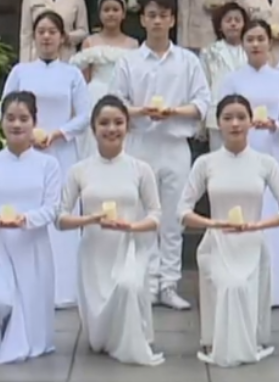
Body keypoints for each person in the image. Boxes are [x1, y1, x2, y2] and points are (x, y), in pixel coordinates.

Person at [109, 0, 209, 310]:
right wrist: (140, 112)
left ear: (172, 20)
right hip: (141, 144)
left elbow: (203, 102)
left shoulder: (188, 61)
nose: (157, 21)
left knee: (173, 217)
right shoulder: (129, 60)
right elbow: (115, 103)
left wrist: (174, 112)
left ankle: (168, 283)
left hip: (175, 143)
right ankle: (145, 282)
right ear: (142, 19)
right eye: (151, 15)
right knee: (142, 216)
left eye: (163, 15)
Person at [180, 94, 279, 366]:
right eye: (227, 118)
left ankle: (248, 339)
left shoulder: (265, 163)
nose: (235, 124)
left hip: (251, 244)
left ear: (251, 122)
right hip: (216, 244)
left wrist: (258, 225)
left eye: (241, 117)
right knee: (229, 285)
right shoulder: (205, 163)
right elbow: (182, 212)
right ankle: (216, 339)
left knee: (241, 284)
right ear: (218, 123)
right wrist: (213, 224)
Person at [60, 96, 165, 368]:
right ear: (93, 128)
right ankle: (105, 335)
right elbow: (60, 218)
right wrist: (90, 218)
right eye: (104, 123)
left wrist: (132, 226)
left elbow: (156, 215)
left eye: (118, 122)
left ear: (127, 127)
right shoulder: (79, 171)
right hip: (94, 251)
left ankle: (131, 341)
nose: (111, 129)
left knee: (128, 285)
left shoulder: (140, 169)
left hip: (129, 247)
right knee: (98, 342)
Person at [0, 92, 63, 366]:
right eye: (10, 118)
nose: (16, 125)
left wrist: (25, 219)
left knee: (29, 305)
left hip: (32, 245)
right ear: (1, 122)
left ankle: (26, 336)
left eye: (23, 118)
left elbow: (52, 207)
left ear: (34, 122)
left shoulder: (48, 164)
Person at [1, 13, 92, 307]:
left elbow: (85, 115)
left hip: (61, 151)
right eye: (41, 31)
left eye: (53, 31)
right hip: (27, 152)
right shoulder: (20, 72)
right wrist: (23, 134)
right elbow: (3, 110)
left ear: (62, 37)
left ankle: (64, 288)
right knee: (29, 211)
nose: (46, 37)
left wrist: (57, 133)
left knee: (59, 214)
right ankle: (26, 284)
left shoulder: (72, 74)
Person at [215, 19, 279, 308]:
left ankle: (275, 288)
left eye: (260, 38)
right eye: (249, 39)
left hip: (271, 149)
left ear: (270, 42)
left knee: (272, 212)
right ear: (243, 43)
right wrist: (242, 124)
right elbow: (225, 114)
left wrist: (273, 123)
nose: (255, 44)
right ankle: (242, 282)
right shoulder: (233, 79)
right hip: (242, 150)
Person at [72, 0, 138, 103]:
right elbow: (85, 77)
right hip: (94, 93)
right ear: (99, 14)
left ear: (123, 14)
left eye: (115, 10)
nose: (111, 14)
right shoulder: (90, 41)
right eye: (106, 10)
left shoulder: (133, 43)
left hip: (123, 94)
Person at [199, 3, 250, 132]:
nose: (233, 24)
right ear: (220, 26)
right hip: (216, 114)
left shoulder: (251, 50)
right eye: (228, 20)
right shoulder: (209, 51)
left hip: (248, 114)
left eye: (237, 20)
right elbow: (204, 84)